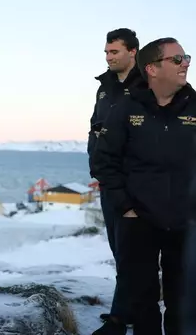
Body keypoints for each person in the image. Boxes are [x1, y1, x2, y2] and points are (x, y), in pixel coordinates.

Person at [92, 37, 192, 335]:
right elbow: (103, 160)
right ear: (151, 68)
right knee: (143, 300)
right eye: (177, 59)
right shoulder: (126, 107)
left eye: (186, 57)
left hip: (186, 222)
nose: (185, 63)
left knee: (183, 300)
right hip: (139, 220)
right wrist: (125, 206)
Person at [87, 28, 145, 335]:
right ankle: (128, 308)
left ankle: (120, 319)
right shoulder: (105, 86)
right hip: (109, 181)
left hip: (135, 183)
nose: (109, 58)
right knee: (118, 250)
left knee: (130, 251)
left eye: (115, 52)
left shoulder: (147, 86)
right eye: (107, 53)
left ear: (133, 52)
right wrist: (95, 166)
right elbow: (95, 126)